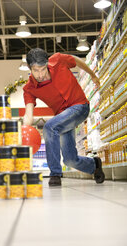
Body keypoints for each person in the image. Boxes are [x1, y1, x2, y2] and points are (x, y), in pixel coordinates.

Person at [23, 48, 105, 186]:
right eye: (35, 70)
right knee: (69, 159)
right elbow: (28, 113)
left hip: (80, 106)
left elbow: (77, 61)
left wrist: (92, 75)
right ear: (29, 68)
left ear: (47, 63)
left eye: (43, 69)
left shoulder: (58, 60)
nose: (40, 74)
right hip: (63, 118)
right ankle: (94, 165)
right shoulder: (29, 88)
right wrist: (24, 131)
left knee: (49, 127)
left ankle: (55, 174)